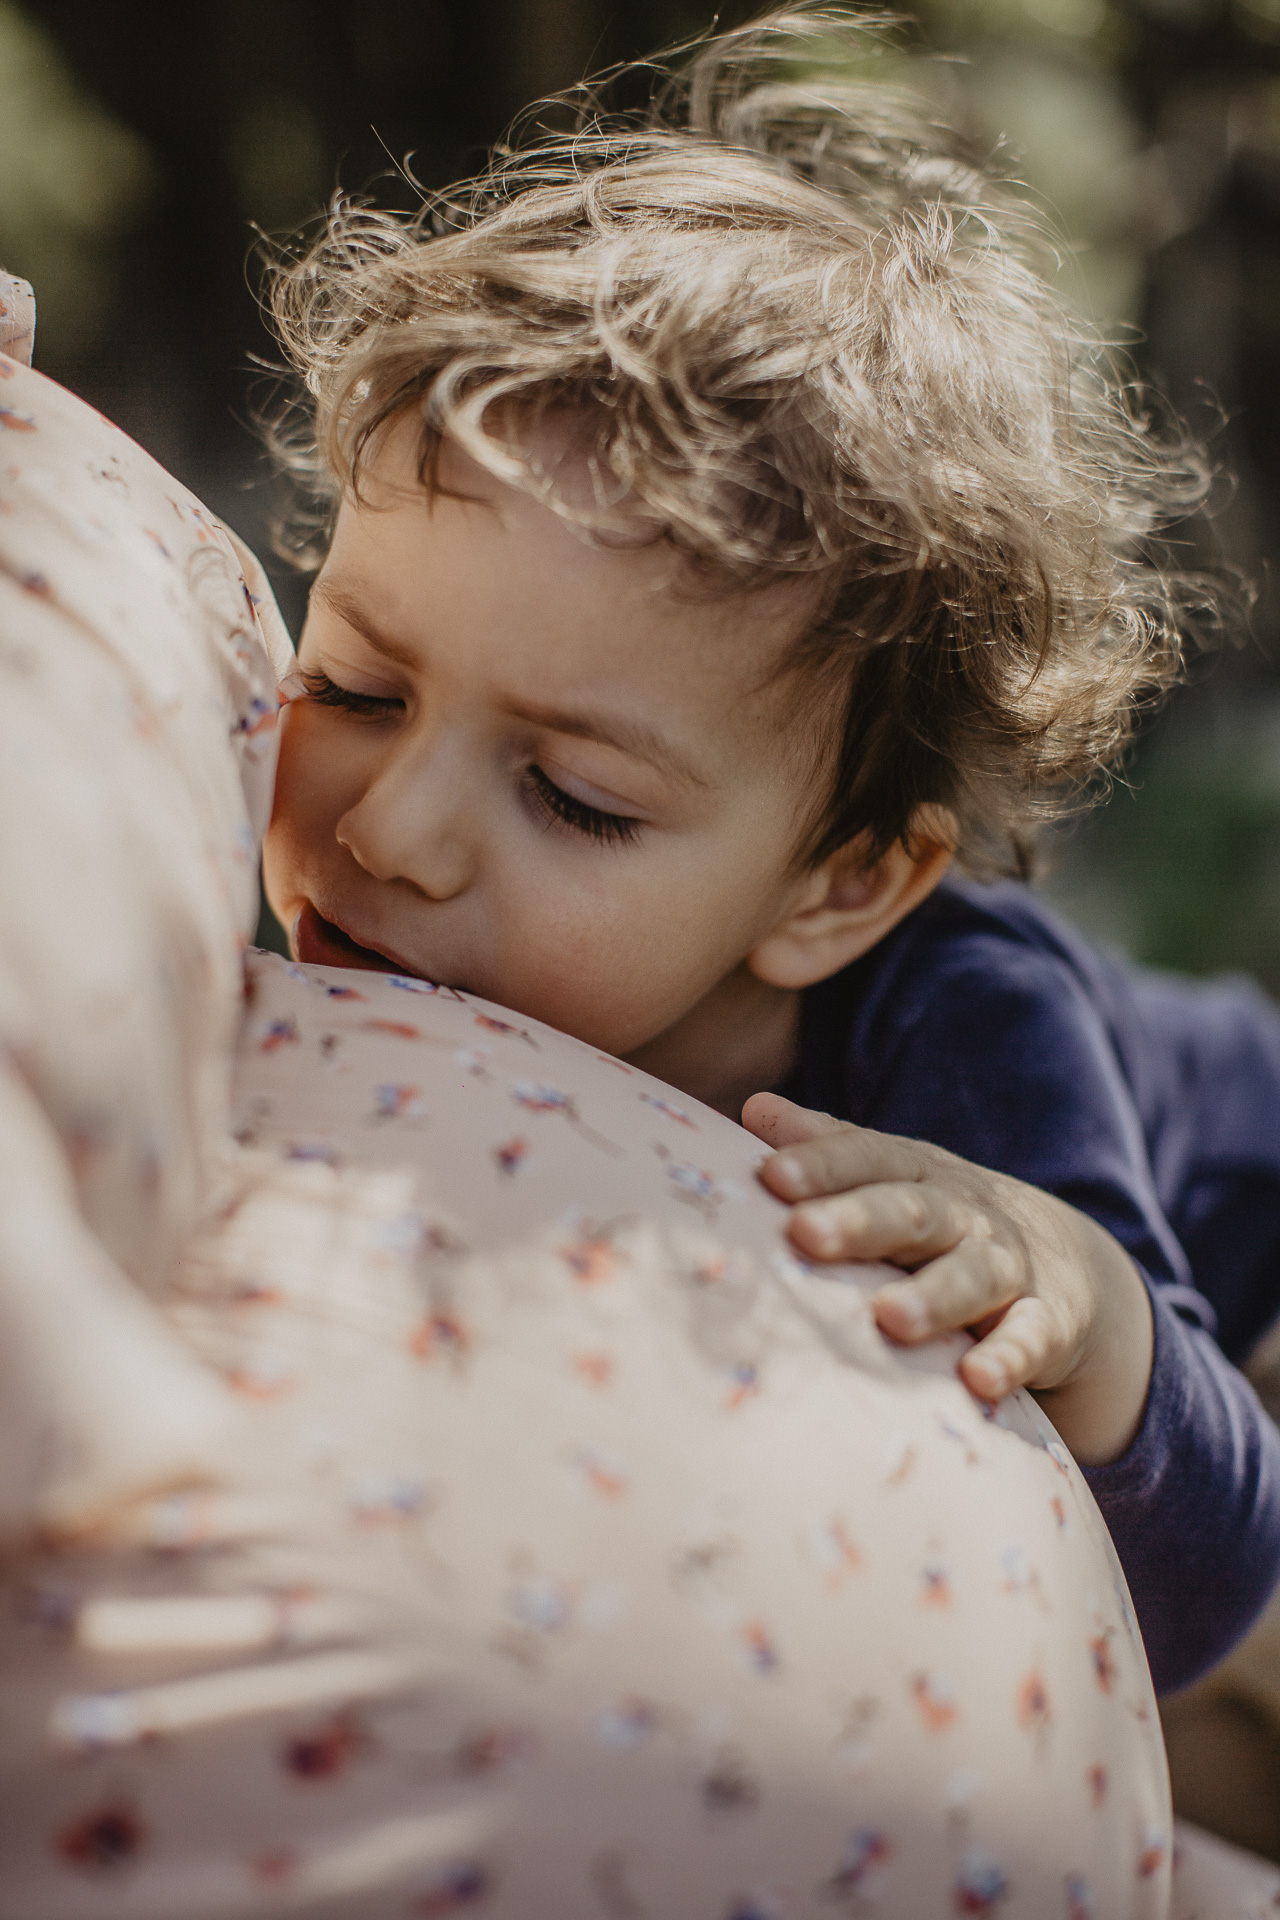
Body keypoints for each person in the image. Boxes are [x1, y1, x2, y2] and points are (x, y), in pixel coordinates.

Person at [258, 6, 1280, 1693]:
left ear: (838, 884)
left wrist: (1087, 1309)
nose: (390, 827)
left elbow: (1205, 1567)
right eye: (355, 685)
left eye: (575, 795)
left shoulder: (963, 1032)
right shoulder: (363, 853)